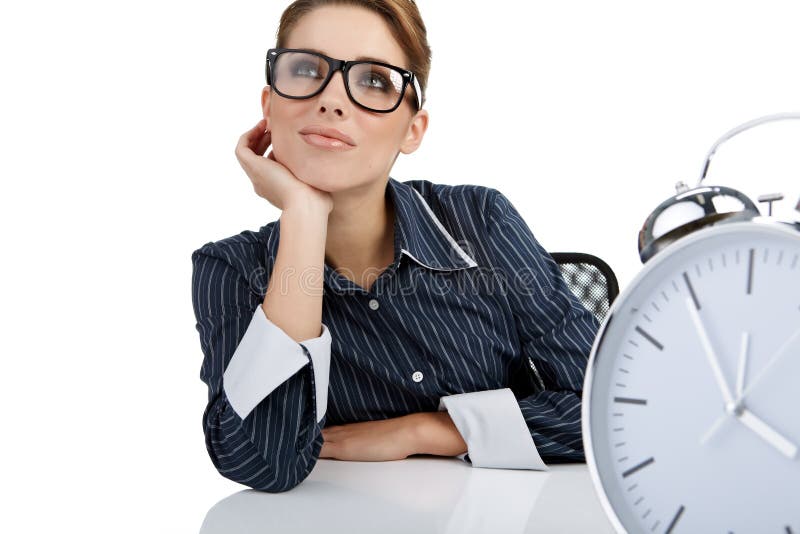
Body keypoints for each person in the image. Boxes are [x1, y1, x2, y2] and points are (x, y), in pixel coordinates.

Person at [190, 0, 600, 493]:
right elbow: (259, 462)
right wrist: (302, 215)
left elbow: (614, 404)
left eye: (373, 80)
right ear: (268, 106)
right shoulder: (230, 268)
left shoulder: (480, 221)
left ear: (413, 130)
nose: (332, 100)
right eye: (305, 70)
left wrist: (432, 430)